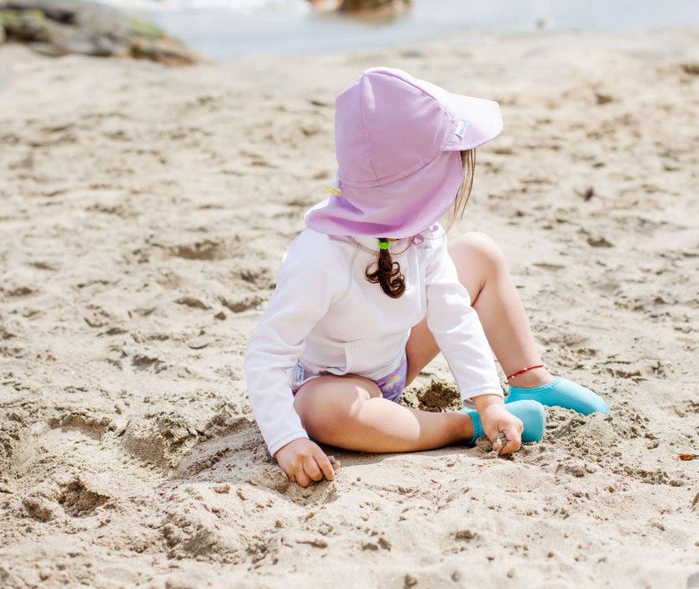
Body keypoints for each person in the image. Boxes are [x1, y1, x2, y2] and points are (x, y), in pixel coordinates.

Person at [245, 67, 609, 487]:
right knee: (323, 410)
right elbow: (267, 354)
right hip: (337, 387)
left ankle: (528, 383)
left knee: (479, 253)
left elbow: (452, 316)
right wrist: (286, 439)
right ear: (418, 187)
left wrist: (489, 399)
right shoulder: (320, 255)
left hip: (395, 359)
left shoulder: (420, 233)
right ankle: (460, 425)